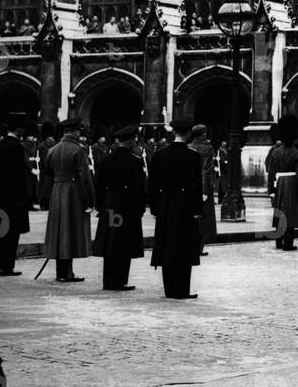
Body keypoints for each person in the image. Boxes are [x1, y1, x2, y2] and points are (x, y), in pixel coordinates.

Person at [147, 118, 203, 299]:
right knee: (184, 246)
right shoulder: (193, 156)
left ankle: (169, 289)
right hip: (185, 205)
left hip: (164, 204)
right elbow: (195, 185)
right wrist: (197, 209)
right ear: (188, 134)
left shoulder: (159, 155)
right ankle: (181, 289)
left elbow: (153, 185)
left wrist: (154, 207)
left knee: (167, 245)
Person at [91, 125, 146, 290]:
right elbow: (139, 188)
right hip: (126, 206)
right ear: (130, 141)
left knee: (110, 241)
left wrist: (100, 206)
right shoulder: (134, 161)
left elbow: (98, 185)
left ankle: (108, 280)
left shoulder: (107, 160)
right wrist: (140, 209)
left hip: (109, 204)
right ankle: (120, 279)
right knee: (124, 242)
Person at [43, 117, 96, 282]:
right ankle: (66, 273)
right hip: (73, 193)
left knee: (60, 230)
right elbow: (86, 179)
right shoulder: (78, 150)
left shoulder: (52, 149)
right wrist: (91, 201)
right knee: (70, 231)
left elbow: (47, 171)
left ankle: (62, 272)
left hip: (57, 191)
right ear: (76, 131)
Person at [0, 112, 32, 276]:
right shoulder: (16, 147)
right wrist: (23, 198)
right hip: (12, 198)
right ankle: (7, 266)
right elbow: (19, 176)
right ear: (19, 130)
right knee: (11, 234)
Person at [266, 115, 298, 251]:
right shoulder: (297, 153)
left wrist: (271, 190)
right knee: (291, 213)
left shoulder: (275, 152)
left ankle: (278, 242)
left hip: (279, 183)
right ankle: (288, 244)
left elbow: (271, 173)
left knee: (280, 212)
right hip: (292, 183)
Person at [189, 124, 217, 255]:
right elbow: (207, 170)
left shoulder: (189, 147)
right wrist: (205, 191)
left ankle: (190, 246)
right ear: (202, 134)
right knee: (204, 220)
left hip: (190, 186)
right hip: (202, 187)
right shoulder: (207, 149)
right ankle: (198, 248)